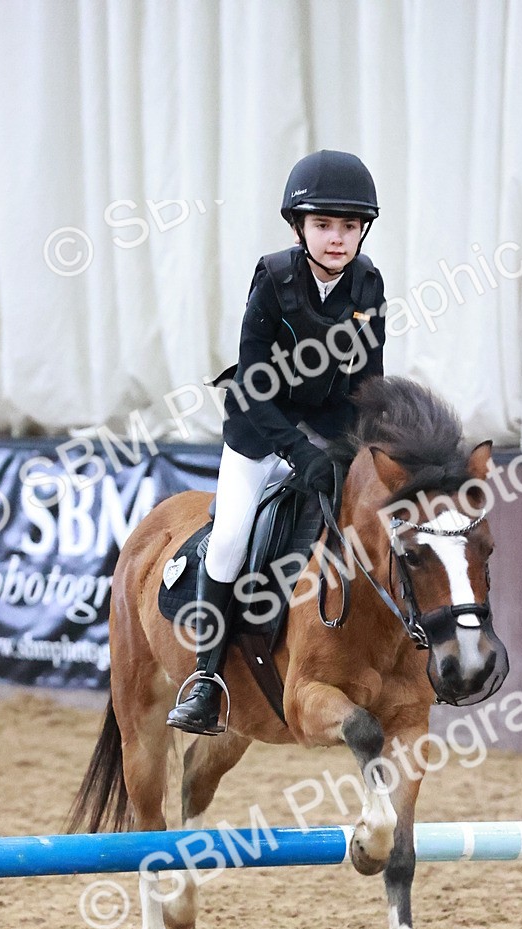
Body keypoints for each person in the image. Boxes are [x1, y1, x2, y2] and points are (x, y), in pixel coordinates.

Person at [166, 149, 387, 735]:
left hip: (330, 432)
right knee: (232, 537)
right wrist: (299, 451)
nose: (336, 238)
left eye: (348, 226)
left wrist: (362, 451)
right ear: (300, 227)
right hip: (259, 430)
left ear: (362, 229)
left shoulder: (368, 284)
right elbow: (255, 383)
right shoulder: (274, 277)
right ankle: (206, 680)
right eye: (323, 225)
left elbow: (369, 385)